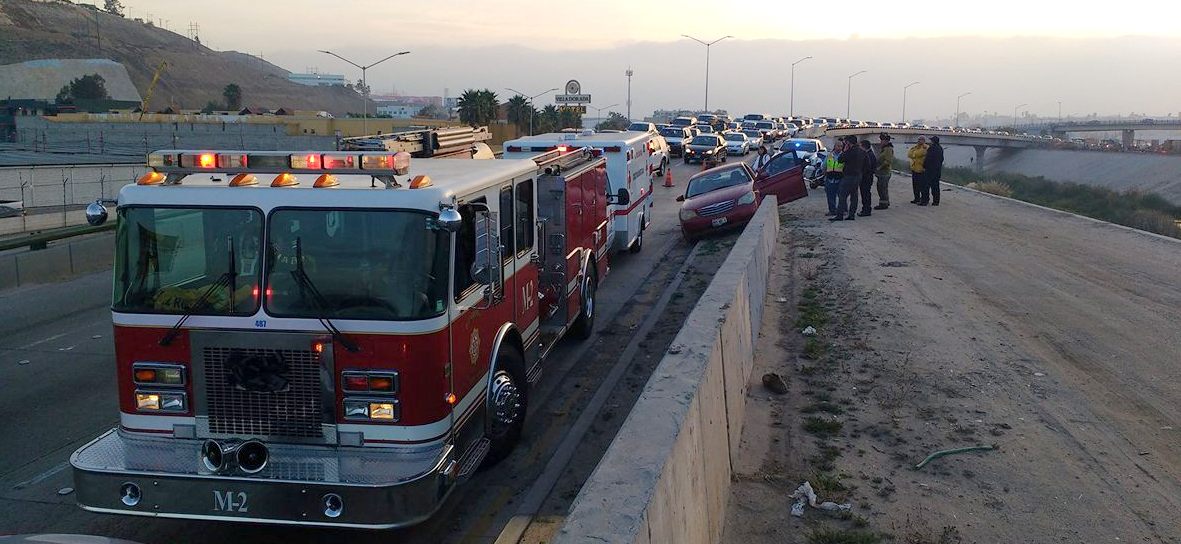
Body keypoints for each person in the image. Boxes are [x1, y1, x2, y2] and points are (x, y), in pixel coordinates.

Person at [832, 135, 864, 221]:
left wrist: (845, 150)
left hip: (849, 176)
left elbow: (840, 159)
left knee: (842, 196)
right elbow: (866, 164)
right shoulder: (862, 151)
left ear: (849, 143)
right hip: (858, 176)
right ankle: (851, 215)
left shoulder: (849, 151)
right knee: (854, 196)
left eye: (846, 142)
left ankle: (840, 215)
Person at [823, 139, 845, 216]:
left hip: (840, 178)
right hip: (830, 178)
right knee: (830, 196)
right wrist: (824, 174)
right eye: (838, 146)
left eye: (841, 146)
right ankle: (832, 210)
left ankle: (843, 210)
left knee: (842, 196)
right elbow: (824, 166)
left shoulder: (844, 156)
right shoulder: (829, 155)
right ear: (834, 146)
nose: (839, 148)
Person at [873, 133, 894, 210]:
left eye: (882, 140)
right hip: (881, 172)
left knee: (882, 188)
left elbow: (888, 161)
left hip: (884, 172)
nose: (881, 142)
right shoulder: (884, 148)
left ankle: (883, 204)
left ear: (886, 141)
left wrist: (879, 167)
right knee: (881, 187)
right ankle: (885, 202)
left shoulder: (888, 149)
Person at [923, 135, 945, 206]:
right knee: (935, 186)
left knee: (926, 185)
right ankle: (936, 201)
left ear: (933, 141)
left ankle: (925, 200)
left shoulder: (931, 148)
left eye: (931, 141)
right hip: (937, 170)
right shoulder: (940, 148)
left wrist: (924, 166)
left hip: (930, 170)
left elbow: (928, 159)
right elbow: (942, 159)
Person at [857, 139, 877, 216]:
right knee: (865, 194)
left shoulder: (868, 155)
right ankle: (865, 209)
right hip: (867, 177)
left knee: (865, 194)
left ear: (863, 147)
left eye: (860, 146)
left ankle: (866, 210)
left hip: (866, 178)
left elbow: (868, 168)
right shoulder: (869, 154)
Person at [907, 136, 928, 204]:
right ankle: (916, 198)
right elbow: (909, 154)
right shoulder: (915, 147)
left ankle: (923, 199)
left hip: (921, 170)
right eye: (919, 140)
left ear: (924, 141)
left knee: (922, 185)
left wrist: (914, 154)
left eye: (921, 140)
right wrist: (914, 154)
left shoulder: (926, 147)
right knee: (915, 185)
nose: (919, 141)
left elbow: (919, 153)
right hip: (914, 168)